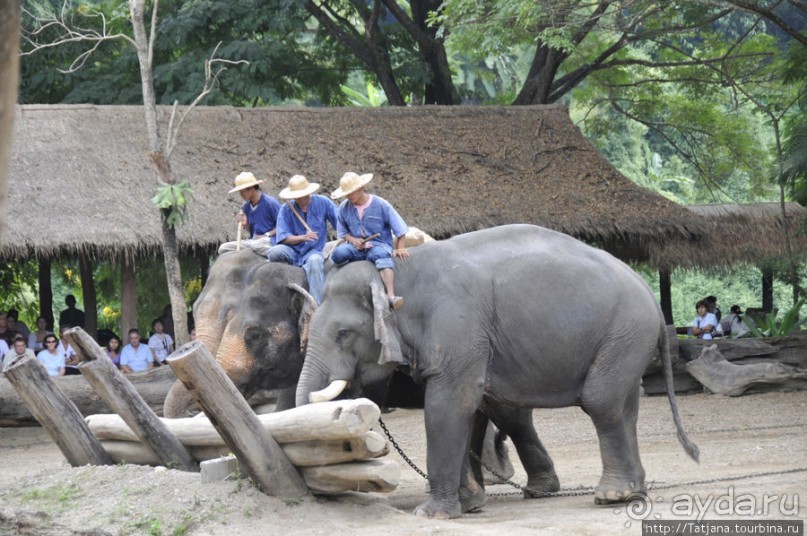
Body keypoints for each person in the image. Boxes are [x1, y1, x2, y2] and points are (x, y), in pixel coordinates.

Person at [330, 172, 409, 310]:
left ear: (361, 188)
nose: (349, 196)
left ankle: (391, 296)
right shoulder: (343, 208)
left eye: (351, 192)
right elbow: (342, 233)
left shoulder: (381, 204)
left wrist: (400, 247)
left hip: (378, 244)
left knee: (380, 255)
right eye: (347, 193)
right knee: (337, 255)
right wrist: (354, 240)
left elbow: (400, 229)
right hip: (357, 247)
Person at [268, 175, 338, 304]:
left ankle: (317, 304)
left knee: (315, 261)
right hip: (292, 250)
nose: (299, 199)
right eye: (296, 196)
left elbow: (340, 223)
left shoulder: (323, 202)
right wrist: (303, 237)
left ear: (309, 193)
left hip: (314, 250)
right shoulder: (286, 209)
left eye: (302, 195)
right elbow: (283, 237)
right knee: (274, 252)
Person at [219, 171, 281, 257]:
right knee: (223, 248)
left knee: (255, 245)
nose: (241, 195)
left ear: (251, 188)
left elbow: (283, 226)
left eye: (242, 191)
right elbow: (251, 230)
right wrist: (246, 224)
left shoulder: (270, 203)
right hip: (253, 241)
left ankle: (276, 255)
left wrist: (266, 235)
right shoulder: (246, 207)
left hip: (269, 241)